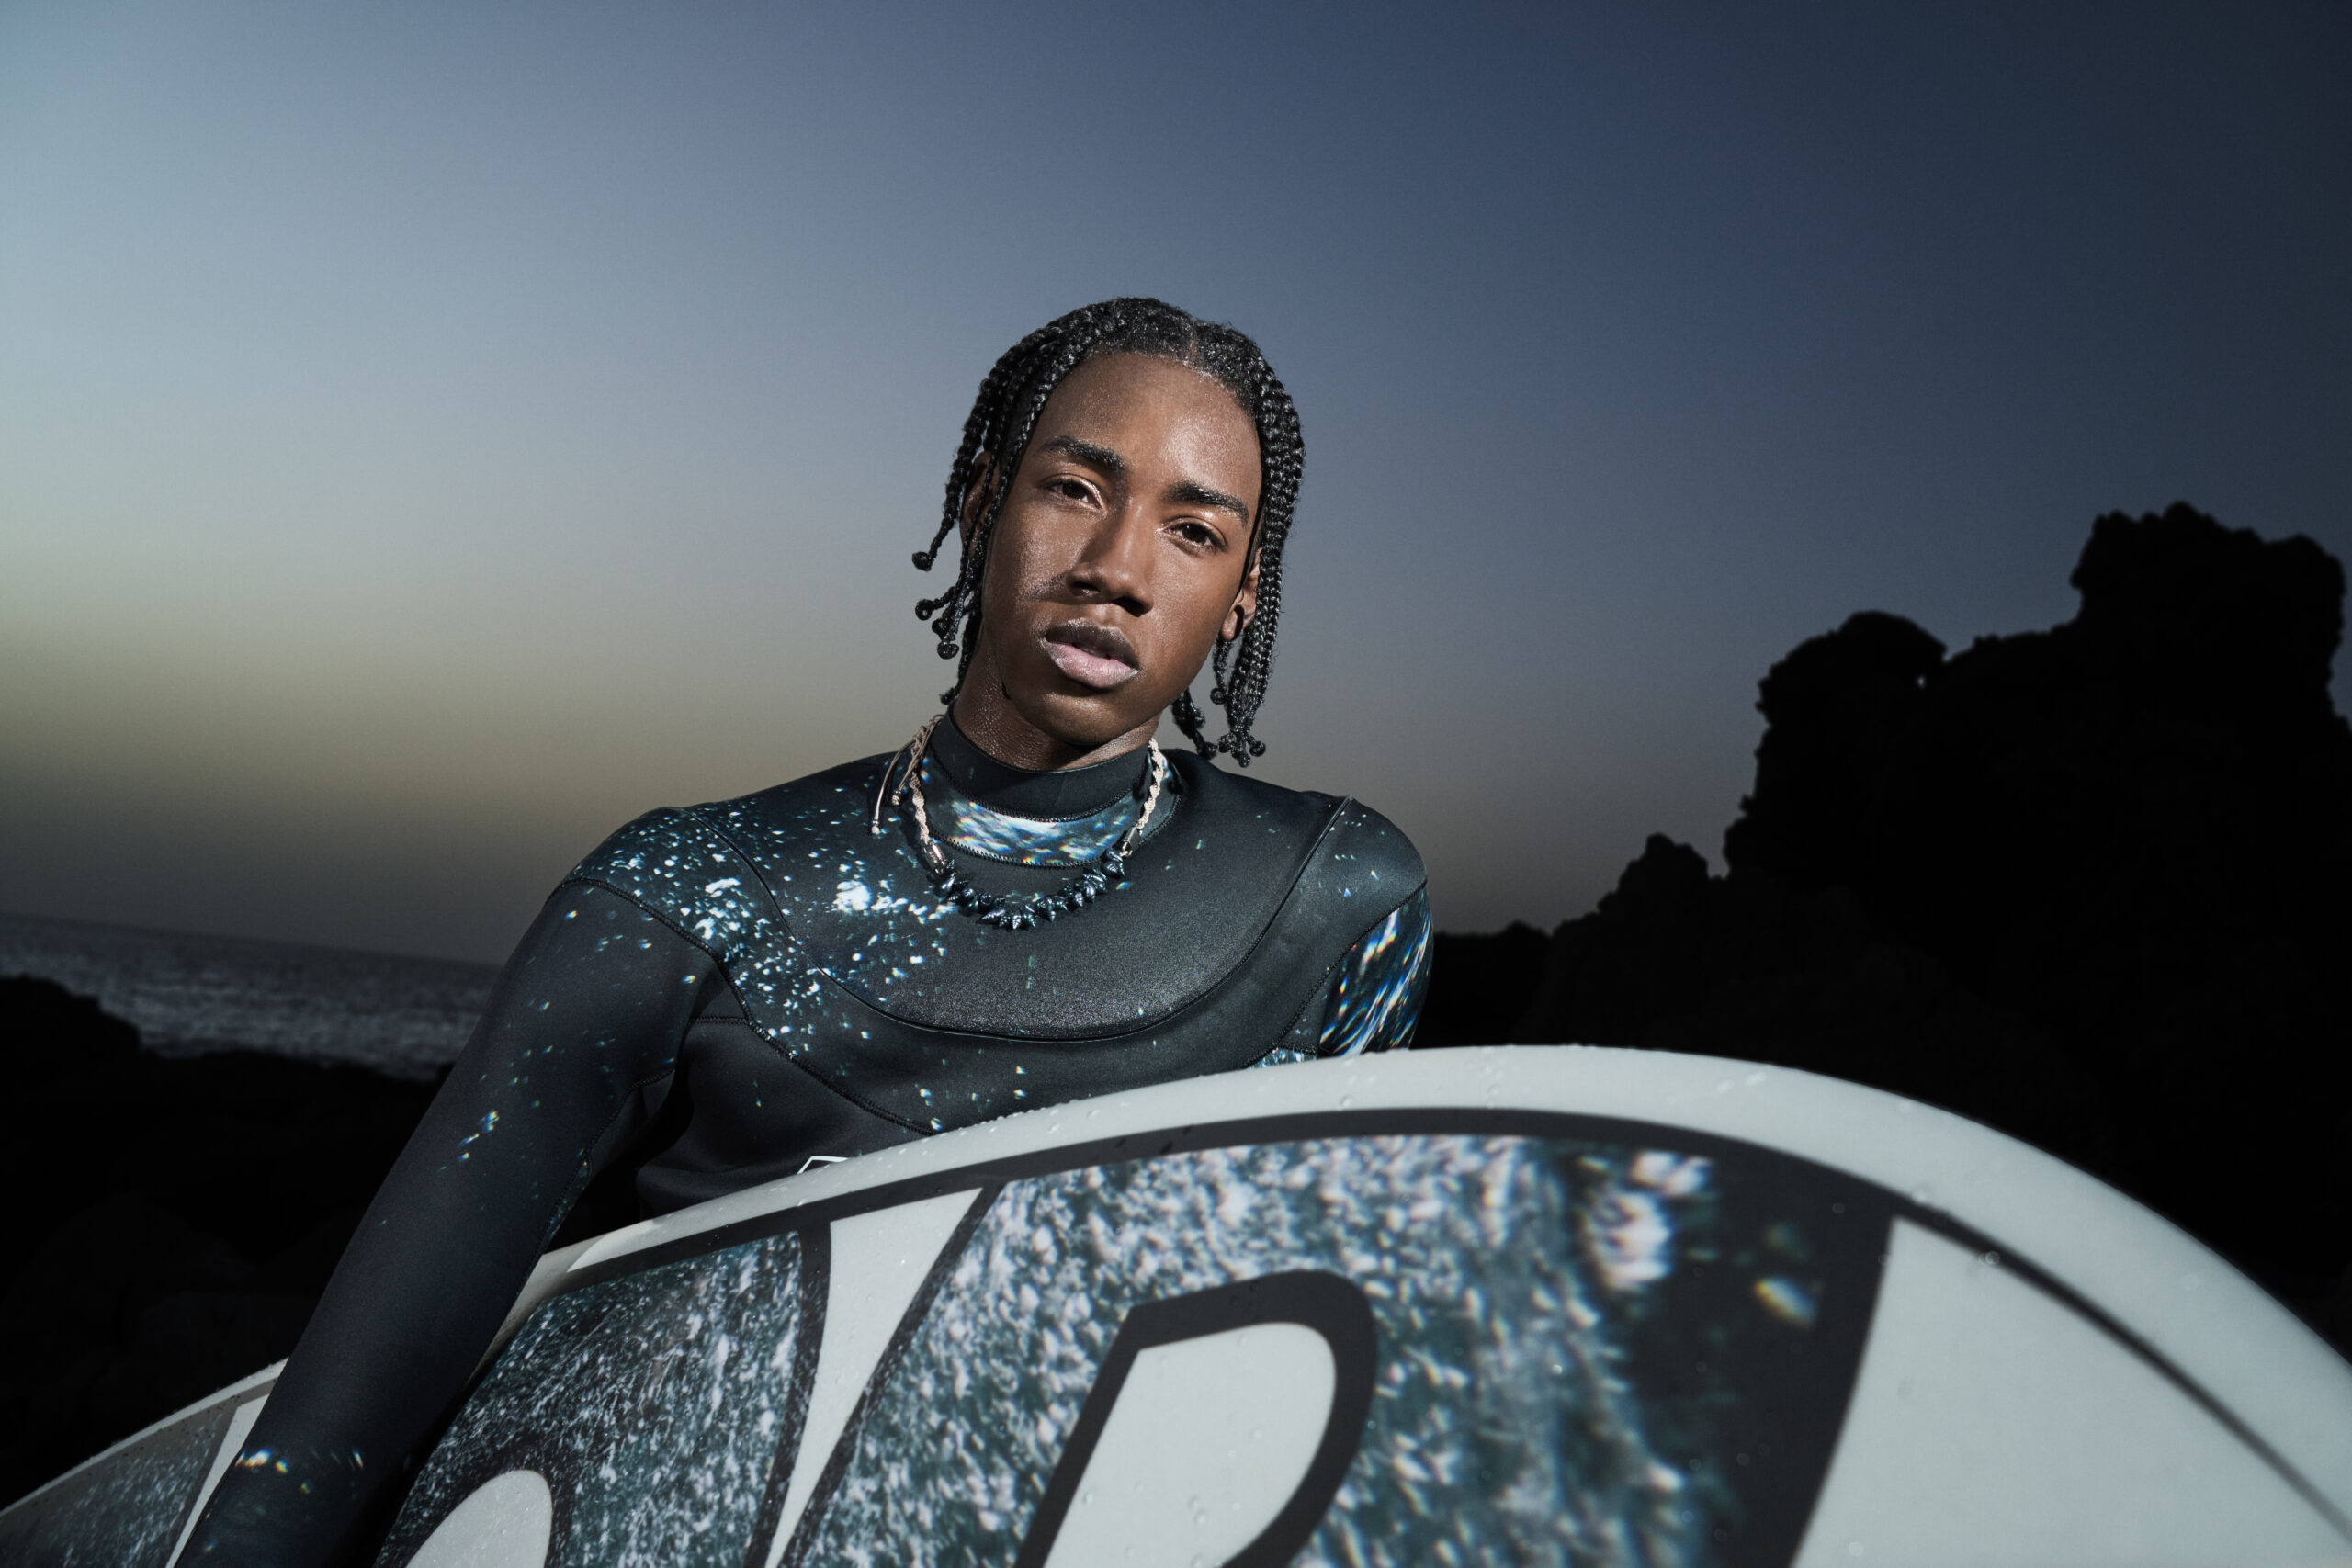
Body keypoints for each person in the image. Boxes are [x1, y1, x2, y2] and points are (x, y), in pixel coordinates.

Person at [190, 298, 1430, 1562]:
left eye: (1194, 530)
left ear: (1242, 596)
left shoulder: (1334, 906)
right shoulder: (684, 892)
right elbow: (323, 1447)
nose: (1118, 566)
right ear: (983, 501)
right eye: (1073, 489)